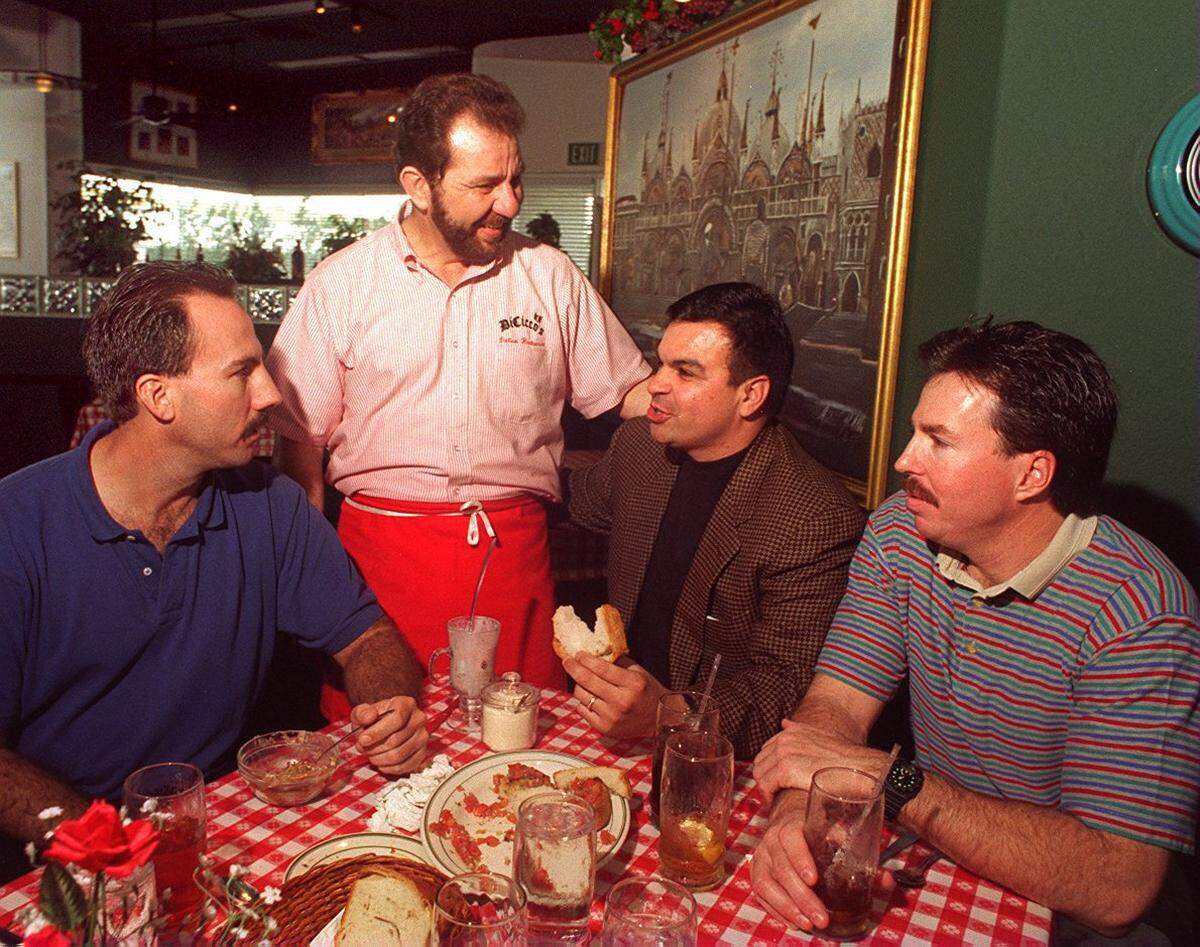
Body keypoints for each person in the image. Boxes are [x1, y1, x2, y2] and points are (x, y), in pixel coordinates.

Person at [751, 320, 1200, 939]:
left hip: (1069, 915)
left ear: (1032, 475)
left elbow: (1118, 884)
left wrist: (898, 783)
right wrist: (796, 814)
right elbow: (837, 704)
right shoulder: (899, 533)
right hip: (936, 854)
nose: (904, 459)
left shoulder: (1140, 613)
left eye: (938, 440)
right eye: (915, 433)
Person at [0, 262, 429, 848]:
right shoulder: (16, 524)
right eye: (242, 373)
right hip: (57, 854)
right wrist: (109, 847)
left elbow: (368, 638)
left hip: (215, 827)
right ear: (159, 396)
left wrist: (389, 706)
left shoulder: (271, 506)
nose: (270, 393)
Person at [267, 73, 650, 720]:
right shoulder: (342, 285)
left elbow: (631, 395)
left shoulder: (549, 276)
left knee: (521, 759)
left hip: (515, 556)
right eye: (483, 186)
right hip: (378, 570)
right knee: (383, 755)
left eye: (515, 179)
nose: (509, 202)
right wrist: (315, 584)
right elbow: (300, 447)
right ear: (417, 184)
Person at [565, 283, 864, 759]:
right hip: (608, 729)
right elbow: (576, 500)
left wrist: (669, 713)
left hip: (715, 759)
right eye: (661, 363)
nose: (655, 384)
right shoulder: (641, 447)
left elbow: (786, 693)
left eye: (686, 372)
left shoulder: (813, 517)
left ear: (750, 395)